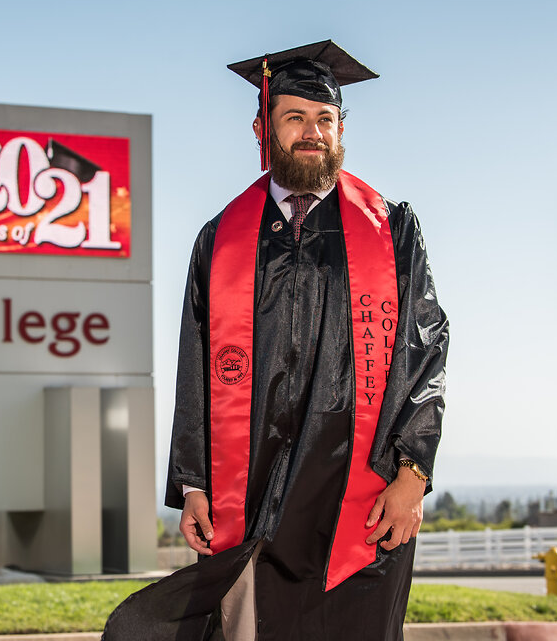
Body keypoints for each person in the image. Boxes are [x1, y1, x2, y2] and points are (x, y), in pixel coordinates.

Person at [102, 40, 449, 640]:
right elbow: (197, 361)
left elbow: (425, 349)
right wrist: (194, 483)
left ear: (342, 129)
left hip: (361, 494)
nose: (312, 132)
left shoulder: (390, 230)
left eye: (325, 119)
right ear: (264, 128)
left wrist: (413, 475)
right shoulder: (222, 239)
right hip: (256, 486)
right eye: (295, 118)